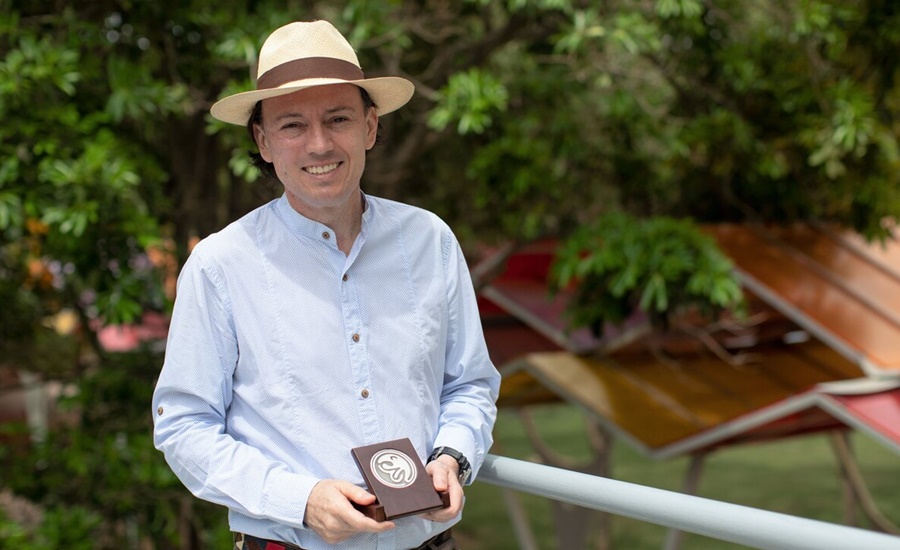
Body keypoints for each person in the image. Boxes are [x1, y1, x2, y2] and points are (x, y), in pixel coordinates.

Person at [151, 20, 500, 550]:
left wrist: (453, 455)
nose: (319, 144)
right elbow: (184, 427)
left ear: (370, 128)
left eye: (338, 119)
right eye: (292, 125)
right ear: (264, 141)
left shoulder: (430, 241)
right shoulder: (221, 266)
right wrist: (301, 499)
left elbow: (469, 384)